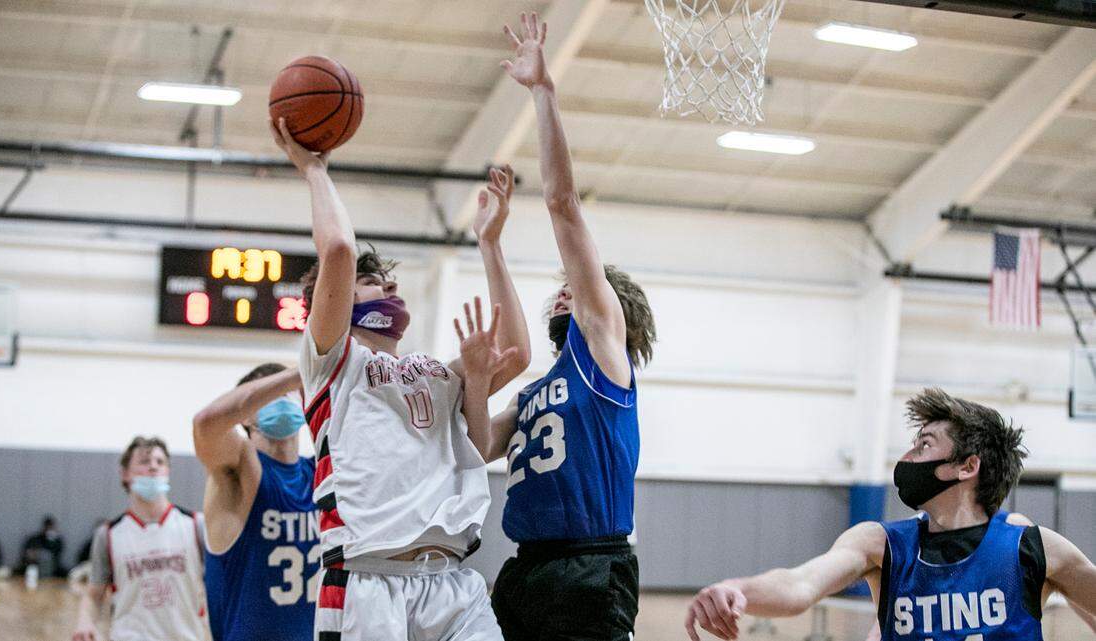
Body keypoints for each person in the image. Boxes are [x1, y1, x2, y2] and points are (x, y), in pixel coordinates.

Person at [271, 114, 530, 641]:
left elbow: (517, 352)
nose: (387, 283)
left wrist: (491, 244)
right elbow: (338, 251)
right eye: (370, 282)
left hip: (453, 584)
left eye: (388, 278)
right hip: (368, 584)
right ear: (338, 301)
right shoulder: (333, 364)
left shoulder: (435, 372)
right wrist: (314, 169)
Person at [469, 14, 658, 641]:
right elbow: (474, 447)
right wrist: (491, 247)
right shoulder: (542, 387)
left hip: (592, 568)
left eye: (573, 286)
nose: (562, 290)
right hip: (525, 570)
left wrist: (542, 93)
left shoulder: (601, 353)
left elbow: (562, 206)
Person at [686, 388, 1096, 641]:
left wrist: (1058, 581)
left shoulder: (1031, 547)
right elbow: (799, 586)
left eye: (924, 445)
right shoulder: (881, 544)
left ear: (967, 467)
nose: (908, 457)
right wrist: (736, 588)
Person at [194, 363, 317, 641]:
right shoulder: (239, 467)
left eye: (286, 395)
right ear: (245, 418)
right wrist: (299, 371)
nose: (282, 400)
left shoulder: (318, 471)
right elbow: (205, 422)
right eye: (272, 394)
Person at [72, 436, 210, 641]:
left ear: (168, 471)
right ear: (125, 474)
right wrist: (85, 620)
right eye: (145, 462)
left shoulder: (196, 525)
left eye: (160, 462)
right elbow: (94, 594)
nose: (153, 467)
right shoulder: (109, 534)